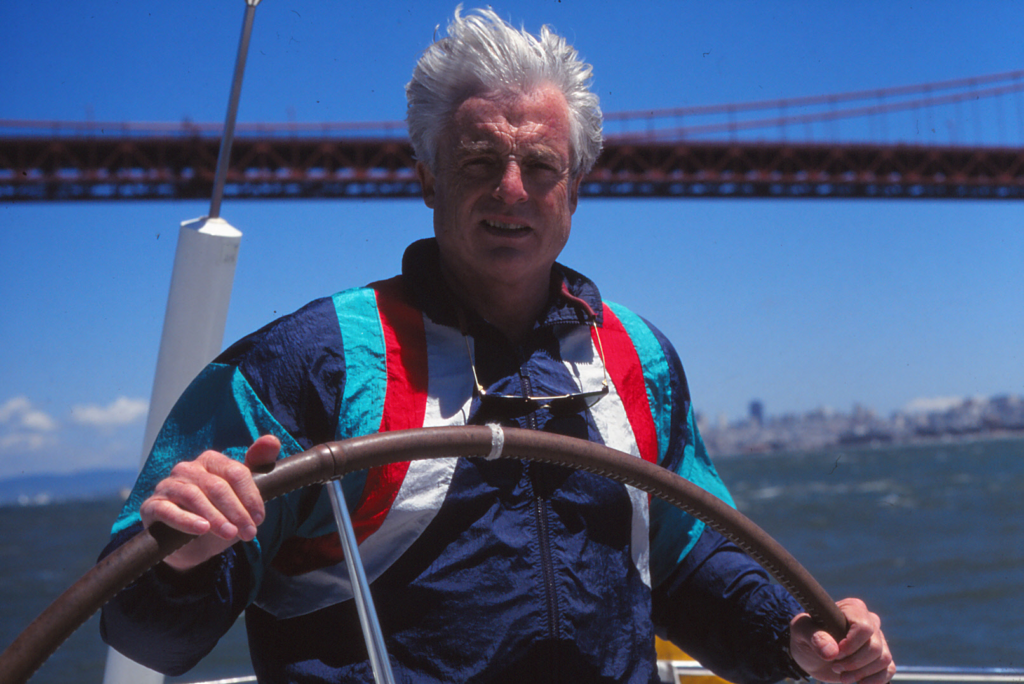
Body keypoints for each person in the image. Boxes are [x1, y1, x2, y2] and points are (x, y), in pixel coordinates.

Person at [101, 8, 895, 684]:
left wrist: (794, 634)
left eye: (541, 165)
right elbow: (145, 637)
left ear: (576, 187)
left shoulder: (638, 359)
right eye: (479, 161)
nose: (511, 190)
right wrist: (181, 557)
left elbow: (688, 563)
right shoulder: (309, 363)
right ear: (427, 180)